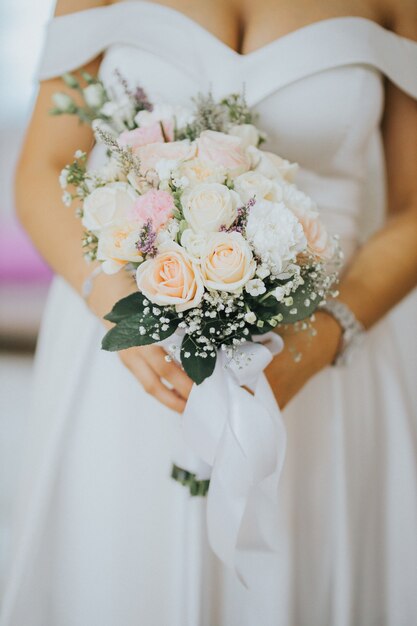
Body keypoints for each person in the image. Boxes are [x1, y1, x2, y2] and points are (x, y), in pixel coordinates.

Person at [1, 0, 417, 624]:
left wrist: (316, 343)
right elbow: (41, 167)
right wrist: (121, 308)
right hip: (128, 359)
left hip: (320, 365)